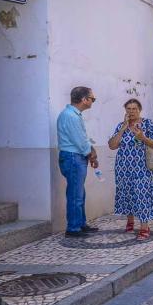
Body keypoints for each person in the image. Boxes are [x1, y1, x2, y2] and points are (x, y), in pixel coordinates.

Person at [108, 99, 153, 239]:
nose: (131, 111)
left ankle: (144, 227)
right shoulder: (121, 125)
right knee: (127, 193)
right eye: (128, 109)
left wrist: (142, 137)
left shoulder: (147, 124)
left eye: (134, 108)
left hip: (142, 168)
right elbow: (112, 145)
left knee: (142, 195)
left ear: (140, 110)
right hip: (123, 168)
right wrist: (123, 128)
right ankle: (130, 221)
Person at [57, 86, 99, 237]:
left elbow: (82, 139)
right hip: (73, 157)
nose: (93, 101)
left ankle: (80, 223)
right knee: (76, 193)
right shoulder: (71, 116)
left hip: (75, 157)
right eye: (92, 99)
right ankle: (73, 228)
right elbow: (80, 141)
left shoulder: (74, 114)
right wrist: (91, 154)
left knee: (79, 192)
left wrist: (90, 151)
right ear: (84, 99)